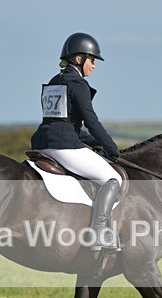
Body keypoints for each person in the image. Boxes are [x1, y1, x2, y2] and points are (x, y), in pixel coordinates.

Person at [31, 32, 122, 252]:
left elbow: (63, 124)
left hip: (43, 143)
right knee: (113, 178)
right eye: (92, 60)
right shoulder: (78, 84)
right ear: (79, 58)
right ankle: (99, 232)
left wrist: (93, 142)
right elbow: (91, 122)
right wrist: (111, 148)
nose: (94, 65)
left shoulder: (54, 82)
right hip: (63, 147)